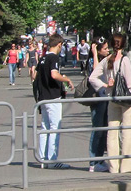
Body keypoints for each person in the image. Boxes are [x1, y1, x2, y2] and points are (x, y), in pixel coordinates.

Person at [90, 33, 131, 174]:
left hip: (112, 99)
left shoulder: (107, 60)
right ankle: (126, 166)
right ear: (124, 44)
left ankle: (113, 166)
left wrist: (105, 85)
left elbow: (92, 78)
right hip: (127, 100)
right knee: (128, 132)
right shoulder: (124, 60)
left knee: (112, 132)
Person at [36, 34, 75, 168]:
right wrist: (67, 79)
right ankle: (52, 160)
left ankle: (42, 159)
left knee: (45, 127)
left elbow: (36, 76)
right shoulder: (53, 57)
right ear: (59, 44)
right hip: (53, 97)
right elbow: (54, 74)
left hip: (43, 97)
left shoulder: (43, 58)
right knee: (55, 127)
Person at [84, 39, 110, 172]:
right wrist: (94, 53)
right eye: (105, 49)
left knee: (103, 129)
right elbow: (94, 73)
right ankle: (93, 161)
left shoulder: (106, 61)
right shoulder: (92, 61)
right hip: (96, 99)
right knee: (97, 128)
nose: (108, 51)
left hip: (104, 96)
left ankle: (100, 159)